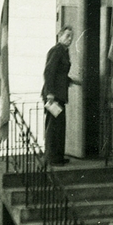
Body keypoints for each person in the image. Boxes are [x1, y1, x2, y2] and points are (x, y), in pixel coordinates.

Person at [42, 26, 80, 165]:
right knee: (53, 127)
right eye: (67, 36)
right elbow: (49, 72)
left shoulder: (64, 52)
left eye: (71, 36)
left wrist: (71, 81)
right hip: (53, 96)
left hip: (60, 95)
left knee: (59, 126)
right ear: (60, 36)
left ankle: (58, 156)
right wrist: (50, 94)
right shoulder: (56, 51)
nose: (70, 39)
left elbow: (60, 74)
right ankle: (51, 158)